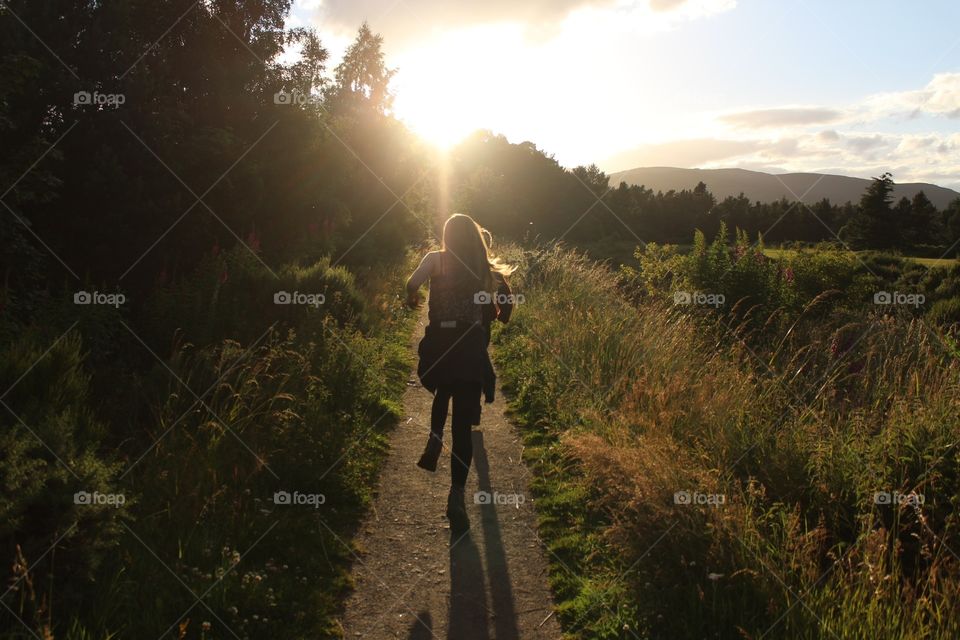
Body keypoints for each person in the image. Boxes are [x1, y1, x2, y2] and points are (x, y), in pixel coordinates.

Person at [405, 214, 515, 532]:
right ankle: (456, 496)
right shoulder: (484, 268)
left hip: (438, 343)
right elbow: (506, 308)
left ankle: (435, 436)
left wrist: (413, 298)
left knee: (443, 387)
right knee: (464, 428)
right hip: (469, 346)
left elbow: (412, 283)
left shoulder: (435, 259)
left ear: (447, 235)